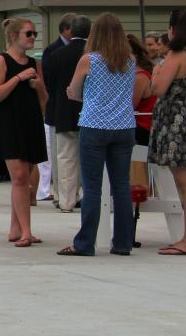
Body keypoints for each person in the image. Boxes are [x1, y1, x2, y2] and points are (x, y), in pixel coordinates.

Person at [58, 13, 139, 257]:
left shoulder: (89, 60)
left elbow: (74, 91)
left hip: (94, 125)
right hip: (124, 126)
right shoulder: (131, 60)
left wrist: (77, 93)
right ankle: (123, 242)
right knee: (121, 186)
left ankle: (85, 243)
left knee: (92, 187)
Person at [147, 9, 186, 256]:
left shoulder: (175, 55)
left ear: (173, 29)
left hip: (174, 120)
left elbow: (158, 90)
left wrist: (156, 74)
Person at [0, 17, 48, 247]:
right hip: (8, 124)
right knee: (20, 177)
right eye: (28, 33)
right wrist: (18, 78)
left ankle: (16, 228)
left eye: (34, 34)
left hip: (30, 123)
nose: (33, 37)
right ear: (14, 36)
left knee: (23, 179)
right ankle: (26, 231)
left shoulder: (34, 64)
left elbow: (44, 101)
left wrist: (39, 86)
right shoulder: (0, 60)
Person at [49, 15, 91, 213]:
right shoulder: (94, 56)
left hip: (64, 112)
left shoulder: (57, 54)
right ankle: (87, 197)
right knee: (89, 158)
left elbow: (50, 85)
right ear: (90, 32)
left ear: (71, 31)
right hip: (90, 113)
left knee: (66, 158)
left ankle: (66, 201)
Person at [40, 13, 77, 202]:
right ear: (66, 29)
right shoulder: (52, 50)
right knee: (58, 154)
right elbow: (48, 80)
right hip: (57, 108)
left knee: (70, 155)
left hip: (75, 108)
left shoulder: (82, 50)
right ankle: (60, 193)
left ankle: (72, 193)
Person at [128, 34, 157, 146]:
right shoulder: (140, 73)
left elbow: (130, 106)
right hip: (142, 126)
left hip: (142, 128)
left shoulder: (140, 77)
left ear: (134, 55)